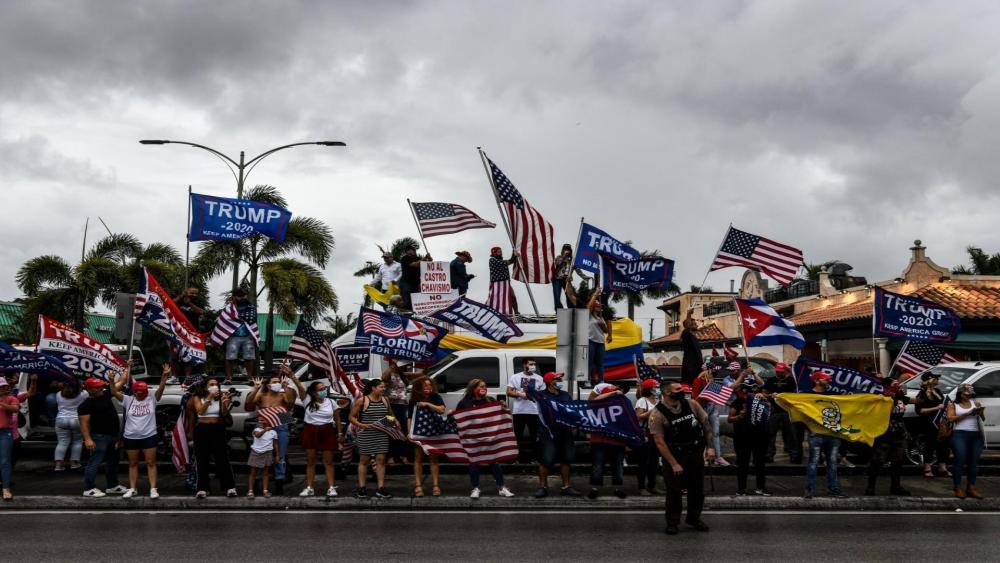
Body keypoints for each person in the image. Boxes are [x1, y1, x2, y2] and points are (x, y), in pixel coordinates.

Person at [649, 380, 715, 535]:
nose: (682, 390)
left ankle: (694, 518)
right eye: (678, 389)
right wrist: (673, 463)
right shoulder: (657, 413)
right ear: (667, 392)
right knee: (674, 492)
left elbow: (706, 425)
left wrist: (710, 447)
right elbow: (659, 442)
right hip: (674, 456)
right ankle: (672, 522)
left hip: (695, 453)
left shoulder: (691, 404)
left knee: (697, 490)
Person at [245, 364, 304, 494]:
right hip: (263, 423)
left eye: (278, 381)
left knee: (280, 455)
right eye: (274, 382)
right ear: (268, 384)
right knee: (260, 452)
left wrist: (284, 387)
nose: (277, 383)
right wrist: (256, 388)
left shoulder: (284, 393)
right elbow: (249, 404)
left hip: (281, 421)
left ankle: (279, 482)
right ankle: (257, 482)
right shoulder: (261, 394)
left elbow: (290, 404)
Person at [114, 363, 169, 499]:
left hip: (149, 436)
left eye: (144, 391)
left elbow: (161, 388)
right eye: (139, 391)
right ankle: (133, 488)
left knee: (151, 462)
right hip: (131, 437)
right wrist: (111, 381)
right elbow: (114, 392)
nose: (142, 393)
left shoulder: (152, 400)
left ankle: (153, 489)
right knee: (133, 464)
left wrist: (164, 376)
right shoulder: (128, 400)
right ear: (134, 391)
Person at [455, 379, 515, 499]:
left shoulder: (490, 400)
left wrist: (503, 406)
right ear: (473, 388)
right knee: (474, 463)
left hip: (489, 438)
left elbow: (499, 416)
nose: (484, 388)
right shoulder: (464, 403)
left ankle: (502, 487)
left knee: (494, 462)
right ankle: (475, 488)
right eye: (481, 386)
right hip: (473, 439)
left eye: (485, 386)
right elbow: (459, 419)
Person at [534, 372, 582, 498]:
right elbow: (528, 393)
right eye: (557, 379)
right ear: (549, 381)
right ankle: (543, 487)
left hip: (565, 431)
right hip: (547, 433)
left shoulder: (565, 395)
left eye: (560, 379)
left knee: (566, 459)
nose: (560, 381)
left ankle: (566, 487)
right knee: (546, 459)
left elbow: (572, 410)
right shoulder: (541, 395)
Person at [79, 377, 127, 497]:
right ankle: (88, 488)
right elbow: (84, 424)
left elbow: (121, 382)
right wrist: (88, 439)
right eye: (97, 387)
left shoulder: (106, 394)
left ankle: (112, 486)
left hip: (113, 436)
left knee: (113, 462)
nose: (101, 388)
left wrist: (126, 370)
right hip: (99, 437)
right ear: (89, 389)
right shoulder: (85, 405)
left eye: (100, 386)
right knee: (94, 462)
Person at [349, 378, 397, 499]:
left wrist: (394, 422)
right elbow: (351, 417)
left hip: (381, 433)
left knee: (381, 460)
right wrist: (361, 425)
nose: (383, 389)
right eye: (381, 387)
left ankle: (381, 488)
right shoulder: (362, 400)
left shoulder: (385, 400)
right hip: (366, 433)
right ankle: (362, 488)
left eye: (384, 387)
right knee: (364, 460)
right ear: (373, 388)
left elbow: (390, 414)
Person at [803, 372, 847, 499]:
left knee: (832, 463)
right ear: (817, 381)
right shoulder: (806, 396)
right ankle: (810, 490)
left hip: (832, 434)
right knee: (814, 462)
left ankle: (832, 489)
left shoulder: (834, 395)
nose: (828, 381)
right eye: (825, 379)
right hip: (816, 434)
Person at [191, 377, 237, 498]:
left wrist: (225, 404)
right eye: (211, 384)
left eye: (216, 384)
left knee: (222, 458)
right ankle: (202, 488)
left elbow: (225, 414)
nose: (214, 386)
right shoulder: (198, 397)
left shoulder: (221, 397)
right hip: (202, 429)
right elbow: (200, 411)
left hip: (217, 428)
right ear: (205, 386)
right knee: (202, 459)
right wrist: (209, 397)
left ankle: (229, 487)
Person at [865, 379, 911, 497]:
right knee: (877, 461)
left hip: (899, 434)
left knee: (897, 461)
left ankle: (896, 486)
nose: (897, 386)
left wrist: (926, 389)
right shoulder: (880, 398)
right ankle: (870, 487)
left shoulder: (900, 397)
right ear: (886, 386)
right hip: (884, 435)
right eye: (894, 384)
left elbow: (918, 401)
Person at [730, 371, 771, 496]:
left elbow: (770, 413)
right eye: (747, 389)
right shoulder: (738, 402)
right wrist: (739, 416)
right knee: (743, 464)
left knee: (760, 463)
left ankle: (761, 488)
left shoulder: (762, 401)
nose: (750, 392)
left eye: (753, 389)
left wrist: (765, 400)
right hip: (742, 437)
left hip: (759, 436)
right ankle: (741, 489)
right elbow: (730, 419)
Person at [300, 380, 343, 498]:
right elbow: (299, 387)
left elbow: (337, 418)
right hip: (311, 431)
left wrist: (340, 433)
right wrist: (292, 376)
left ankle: (331, 487)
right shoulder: (307, 400)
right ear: (314, 392)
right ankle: (309, 488)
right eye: (320, 389)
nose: (324, 391)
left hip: (327, 431)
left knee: (328, 461)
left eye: (325, 388)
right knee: (310, 461)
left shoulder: (331, 402)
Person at [587, 382, 627, 499]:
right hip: (599, 440)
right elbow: (594, 400)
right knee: (597, 465)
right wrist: (613, 392)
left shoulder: (622, 405)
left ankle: (618, 488)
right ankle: (594, 488)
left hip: (617, 441)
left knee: (618, 465)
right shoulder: (596, 407)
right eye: (609, 394)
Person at [948, 383, 986, 499]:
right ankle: (958, 487)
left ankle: (971, 487)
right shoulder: (953, 405)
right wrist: (967, 413)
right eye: (966, 394)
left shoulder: (976, 403)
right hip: (959, 434)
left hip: (976, 435)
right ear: (960, 393)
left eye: (970, 394)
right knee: (960, 459)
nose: (969, 396)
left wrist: (980, 412)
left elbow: (983, 419)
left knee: (973, 462)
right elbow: (950, 418)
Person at [410, 376, 445, 497]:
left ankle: (435, 485)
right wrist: (409, 433)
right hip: (418, 434)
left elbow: (441, 410)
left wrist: (427, 404)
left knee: (434, 459)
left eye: (430, 385)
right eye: (425, 385)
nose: (428, 387)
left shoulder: (436, 397)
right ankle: (418, 485)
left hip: (433, 433)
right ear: (419, 387)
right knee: (418, 458)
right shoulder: (414, 400)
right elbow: (410, 417)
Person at [507, 357, 544, 463]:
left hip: (534, 411)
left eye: (534, 364)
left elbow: (543, 394)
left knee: (534, 436)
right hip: (519, 411)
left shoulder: (539, 378)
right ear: (524, 365)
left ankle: (534, 458)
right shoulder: (515, 377)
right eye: (531, 364)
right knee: (518, 436)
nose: (533, 366)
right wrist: (519, 394)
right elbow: (508, 392)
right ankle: (517, 458)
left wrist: (535, 395)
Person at [764, 362, 803, 463]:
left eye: (781, 371)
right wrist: (770, 395)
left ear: (785, 371)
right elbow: (764, 393)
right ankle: (769, 455)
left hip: (787, 411)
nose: (779, 373)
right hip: (774, 411)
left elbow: (796, 395)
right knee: (770, 434)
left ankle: (794, 455)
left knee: (791, 434)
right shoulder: (771, 381)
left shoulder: (791, 381)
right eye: (777, 371)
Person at [692, 365, 729, 467]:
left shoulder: (712, 380)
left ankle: (717, 456)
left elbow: (715, 395)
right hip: (703, 408)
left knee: (715, 433)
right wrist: (698, 411)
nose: (714, 373)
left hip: (713, 407)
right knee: (703, 433)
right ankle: (704, 457)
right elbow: (695, 396)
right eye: (713, 371)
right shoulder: (699, 380)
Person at [915, 372, 950, 478]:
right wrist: (936, 408)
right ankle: (927, 468)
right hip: (929, 423)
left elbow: (943, 405)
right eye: (935, 378)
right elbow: (920, 410)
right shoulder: (922, 393)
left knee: (943, 444)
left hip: (941, 423)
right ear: (929, 380)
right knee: (930, 445)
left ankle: (942, 467)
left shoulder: (938, 391)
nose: (937, 380)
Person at [382, 358, 414, 465]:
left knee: (404, 430)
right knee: (390, 429)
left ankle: (403, 455)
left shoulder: (402, 374)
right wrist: (393, 364)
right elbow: (383, 378)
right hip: (391, 406)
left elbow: (418, 375)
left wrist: (426, 368)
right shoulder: (389, 373)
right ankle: (390, 456)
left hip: (403, 406)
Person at [634, 378, 662, 496]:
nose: (658, 389)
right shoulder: (642, 401)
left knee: (654, 462)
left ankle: (652, 485)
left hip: (656, 434)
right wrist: (653, 411)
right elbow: (638, 417)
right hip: (645, 434)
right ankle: (641, 487)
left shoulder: (658, 400)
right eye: (656, 387)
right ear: (650, 389)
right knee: (643, 462)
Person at [223, 289, 257, 383]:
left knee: (249, 357)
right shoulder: (229, 307)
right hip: (233, 335)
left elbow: (252, 318)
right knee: (230, 357)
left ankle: (249, 377)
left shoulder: (250, 306)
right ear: (234, 296)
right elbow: (225, 320)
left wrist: (238, 317)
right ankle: (228, 378)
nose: (241, 297)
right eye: (239, 296)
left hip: (248, 335)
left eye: (243, 295)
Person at [54, 381, 87, 471]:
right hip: (76, 420)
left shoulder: (58, 394)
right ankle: (74, 463)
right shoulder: (83, 394)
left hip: (61, 419)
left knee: (62, 442)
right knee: (77, 441)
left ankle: (58, 466)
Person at [173, 286, 206, 380]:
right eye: (192, 293)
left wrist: (190, 303)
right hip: (178, 331)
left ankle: (188, 377)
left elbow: (201, 312)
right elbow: (170, 304)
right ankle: (174, 377)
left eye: (196, 293)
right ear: (187, 292)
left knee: (189, 354)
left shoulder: (199, 301)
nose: (194, 295)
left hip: (192, 332)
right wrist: (181, 296)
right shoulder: (180, 300)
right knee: (175, 354)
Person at [247, 418, 279, 498]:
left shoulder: (273, 432)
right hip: (256, 452)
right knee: (253, 472)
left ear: (269, 421)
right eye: (259, 420)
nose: (260, 422)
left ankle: (265, 490)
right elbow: (258, 435)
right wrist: (265, 430)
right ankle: (250, 491)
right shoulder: (256, 429)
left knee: (266, 473)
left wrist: (277, 455)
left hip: (268, 452)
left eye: (262, 420)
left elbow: (275, 444)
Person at [0, 379, 19, 500]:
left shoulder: (11, 398)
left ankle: (6, 488)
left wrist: (2, 403)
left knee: (5, 461)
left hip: (5, 433)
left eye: (4, 386)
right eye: (0, 387)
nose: (3, 388)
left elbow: (15, 409)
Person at [551, 244, 587, 309]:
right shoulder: (559, 257)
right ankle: (558, 309)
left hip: (567, 280)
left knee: (569, 296)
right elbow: (557, 263)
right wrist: (563, 257)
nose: (567, 251)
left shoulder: (573, 260)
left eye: (568, 249)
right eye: (565, 249)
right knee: (557, 295)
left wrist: (585, 277)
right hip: (557, 279)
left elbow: (578, 271)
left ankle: (571, 309)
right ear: (563, 250)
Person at [587, 290, 612, 384]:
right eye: (597, 306)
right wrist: (595, 294)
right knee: (589, 362)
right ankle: (588, 380)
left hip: (600, 342)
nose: (599, 308)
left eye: (599, 306)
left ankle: (601, 380)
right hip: (591, 341)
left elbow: (605, 331)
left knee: (600, 363)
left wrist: (603, 325)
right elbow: (588, 307)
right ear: (593, 307)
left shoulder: (601, 317)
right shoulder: (589, 316)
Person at [486, 246, 519, 316]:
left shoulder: (500, 260)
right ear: (494, 253)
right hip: (497, 283)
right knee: (492, 298)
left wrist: (514, 253)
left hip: (505, 283)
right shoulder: (492, 260)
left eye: (501, 251)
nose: (501, 253)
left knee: (513, 296)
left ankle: (516, 312)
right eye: (499, 252)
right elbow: (508, 262)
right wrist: (514, 255)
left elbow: (510, 261)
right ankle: (486, 311)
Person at [399, 244, 430, 310]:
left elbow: (426, 265)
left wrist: (429, 259)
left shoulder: (418, 258)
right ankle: (405, 312)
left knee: (416, 301)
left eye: (413, 250)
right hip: (406, 282)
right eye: (410, 250)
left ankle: (414, 313)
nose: (412, 251)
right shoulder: (404, 258)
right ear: (406, 251)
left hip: (416, 283)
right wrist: (424, 258)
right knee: (406, 300)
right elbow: (415, 264)